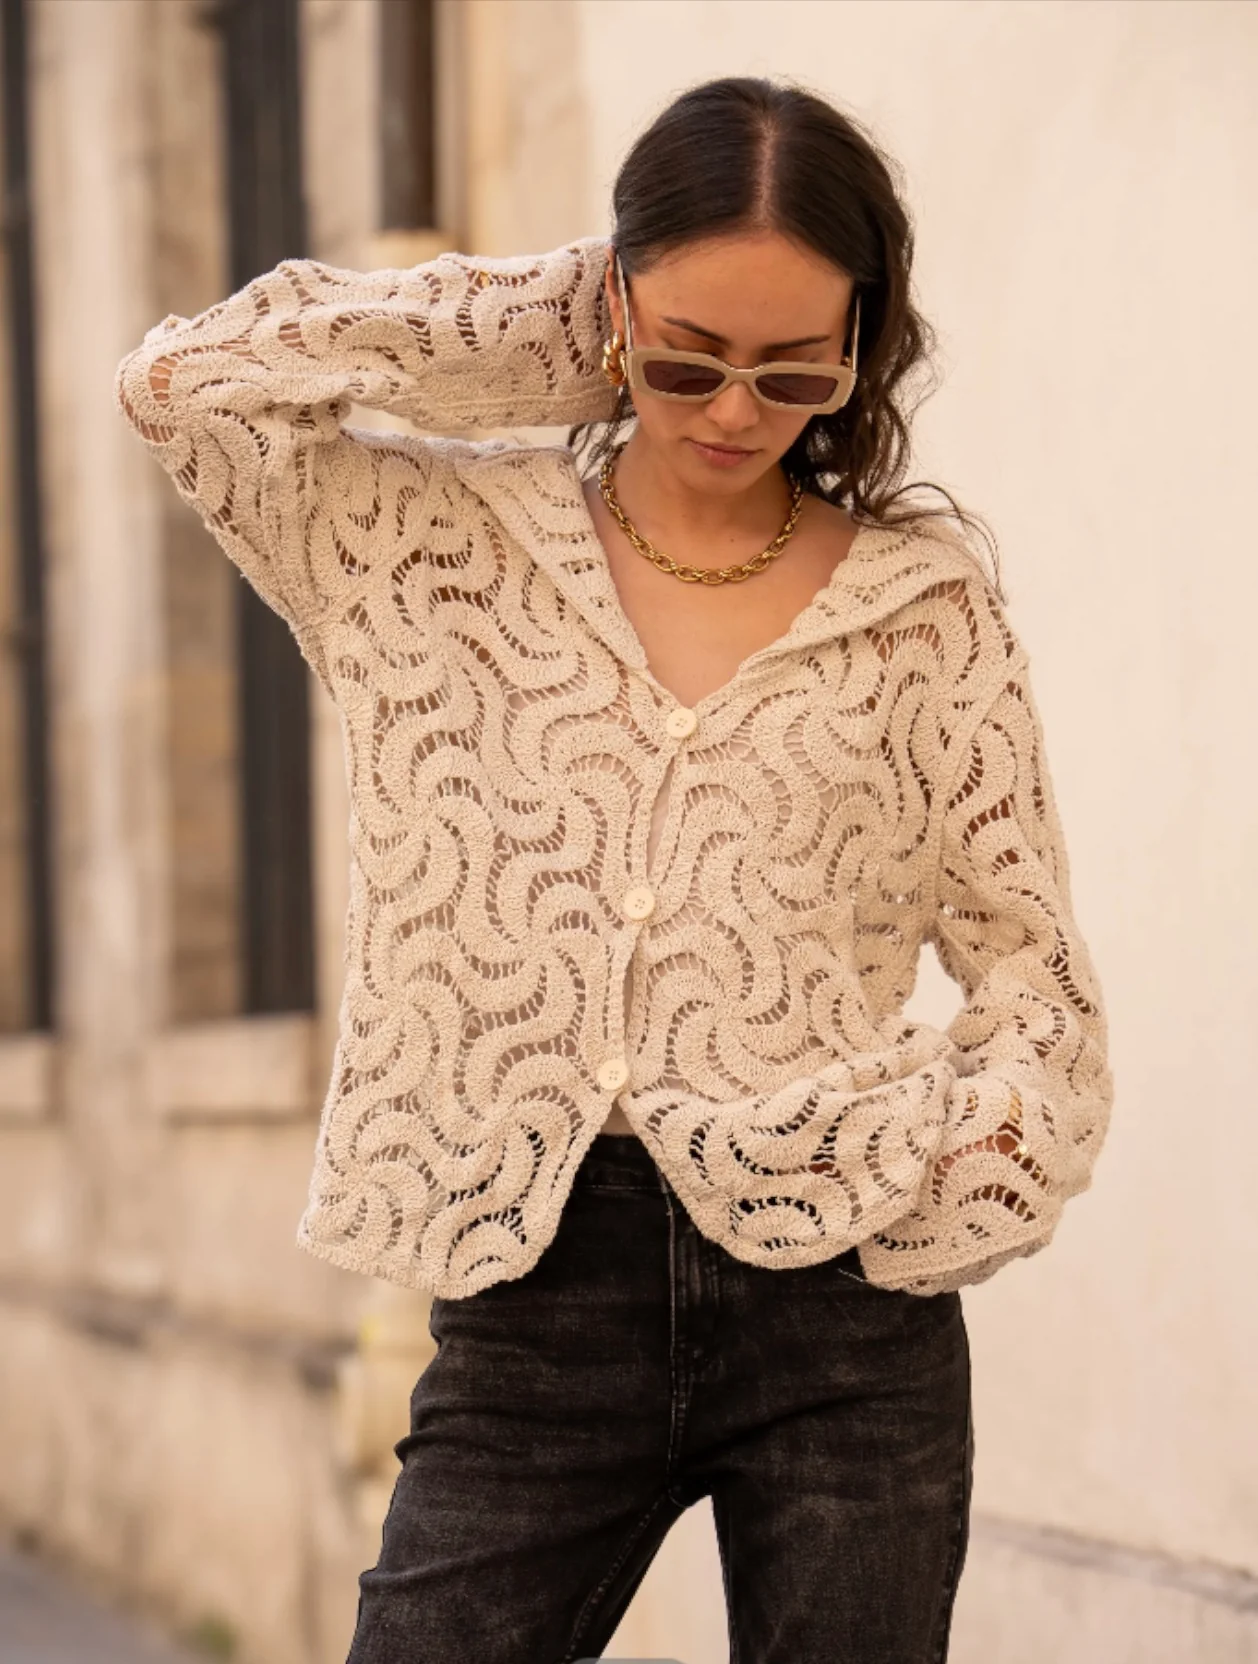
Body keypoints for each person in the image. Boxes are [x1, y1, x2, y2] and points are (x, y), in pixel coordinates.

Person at [116, 73, 1113, 1664]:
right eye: (684, 356)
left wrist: (954, 1151)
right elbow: (183, 386)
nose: (732, 413)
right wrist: (540, 322)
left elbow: (1032, 971)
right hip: (537, 1299)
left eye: (793, 369)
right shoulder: (431, 553)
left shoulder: (924, 612)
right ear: (612, 308)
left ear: (858, 349)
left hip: (844, 1307)